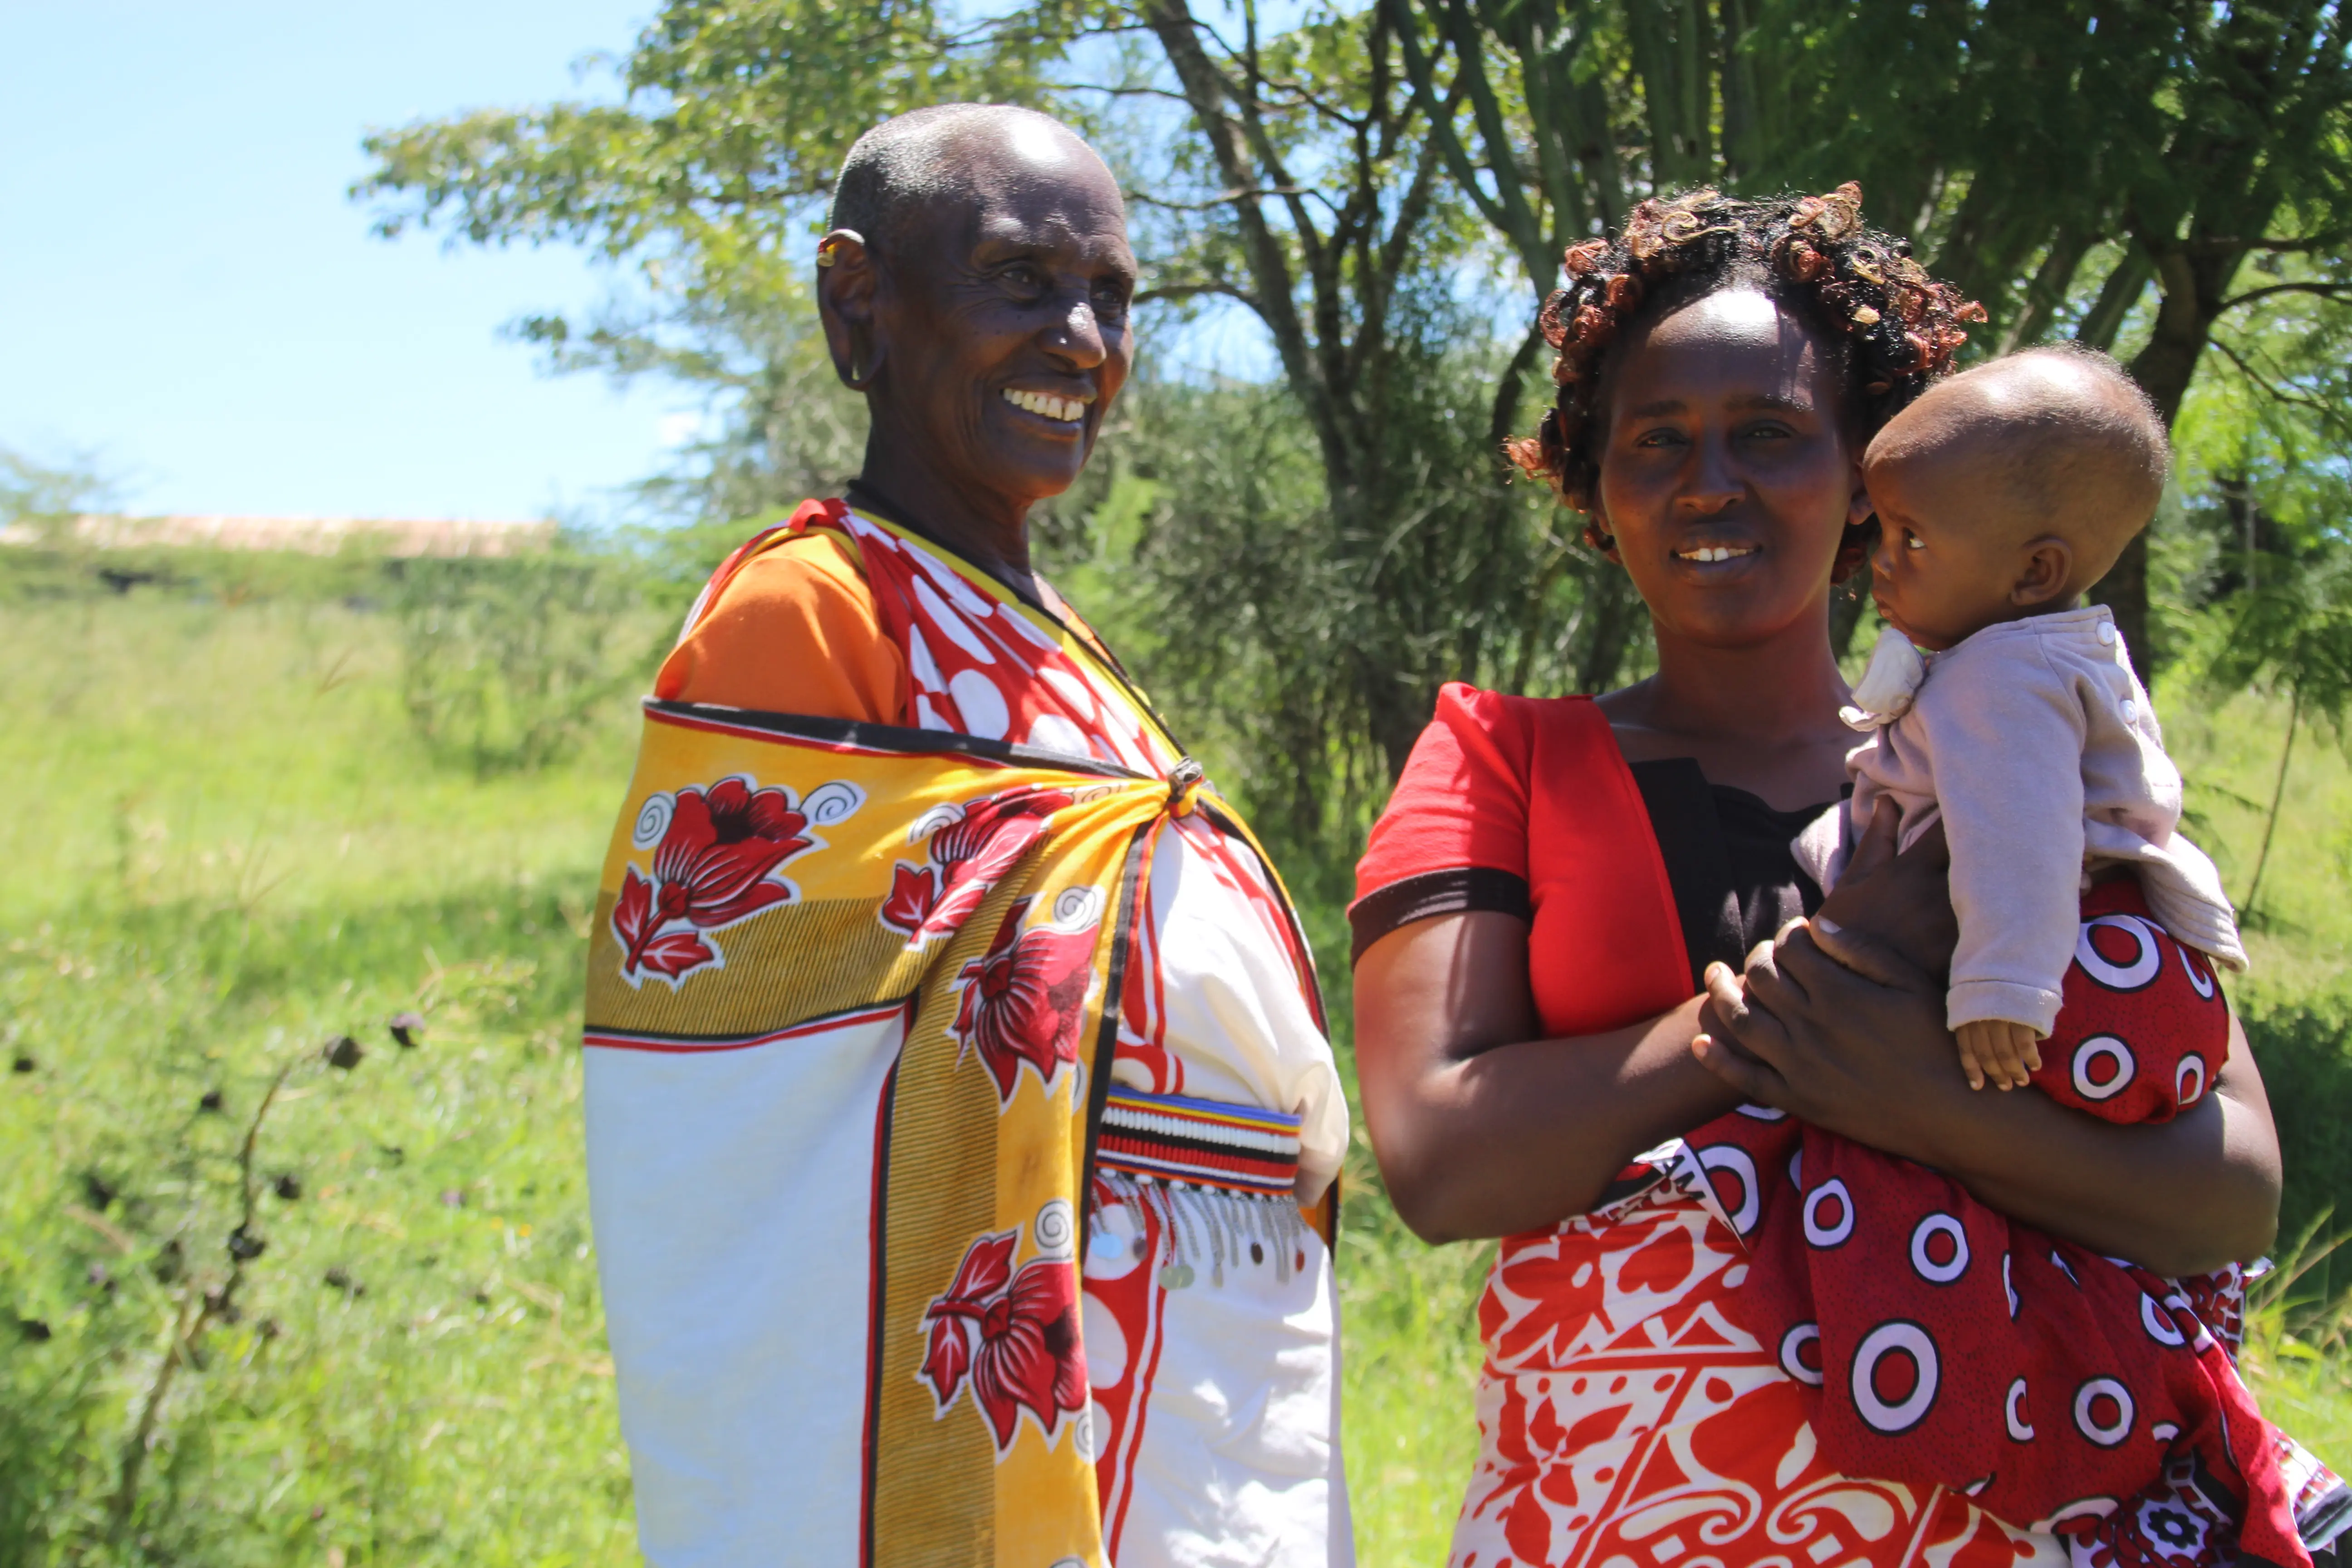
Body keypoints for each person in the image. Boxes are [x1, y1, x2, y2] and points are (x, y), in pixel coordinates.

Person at [1350, 184, 2302, 1568]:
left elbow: (2232, 1186)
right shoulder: (1501, 762)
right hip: (1616, 1515)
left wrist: (1913, 1101)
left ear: (1871, 476)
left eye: (1772, 436)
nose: (1707, 482)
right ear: (1593, 481)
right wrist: (1810, 991)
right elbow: (1442, 1159)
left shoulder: (2013, 762)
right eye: (1655, 442)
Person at [580, 104, 1351, 1567]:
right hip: (1027, 1394)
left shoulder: (1065, 648)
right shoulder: (811, 614)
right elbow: (721, 1086)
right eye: (1019, 281)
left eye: (1112, 297)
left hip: (1206, 1372)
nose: (1081, 339)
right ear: (858, 301)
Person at [1828, 345, 2243, 1092]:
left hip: (2028, 970)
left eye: (1912, 539)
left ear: (2034, 573)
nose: (1880, 561)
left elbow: (2020, 834)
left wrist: (2002, 988)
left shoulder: (1999, 679)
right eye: (1883, 532)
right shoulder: (2025, 653)